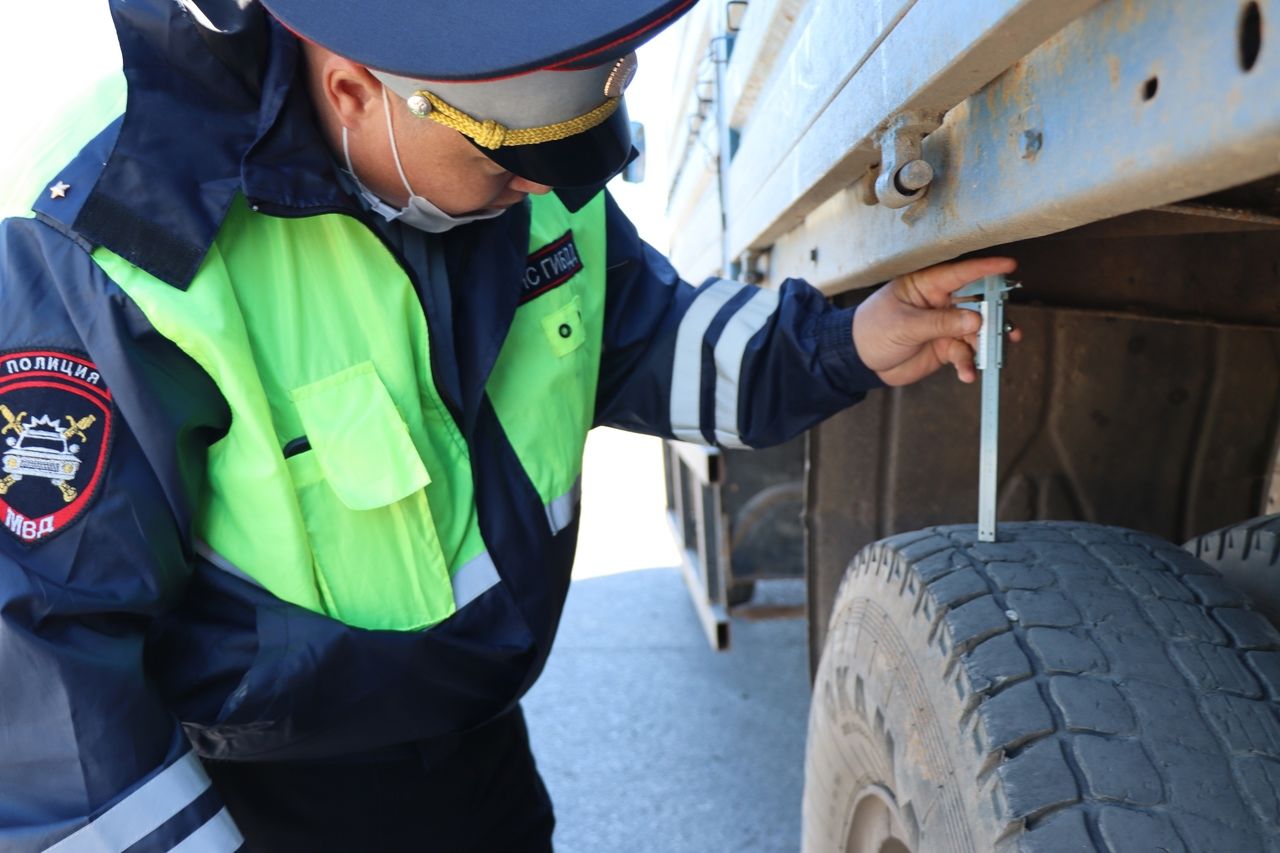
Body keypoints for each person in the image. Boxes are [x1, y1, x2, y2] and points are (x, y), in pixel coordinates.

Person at [0, 0, 1015, 850]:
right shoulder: (116, 242)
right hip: (267, 803)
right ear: (355, 89)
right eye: (506, 164)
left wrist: (847, 341)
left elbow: (648, 336)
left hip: (475, 755)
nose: (547, 188)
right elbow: (50, 695)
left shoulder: (512, 158)